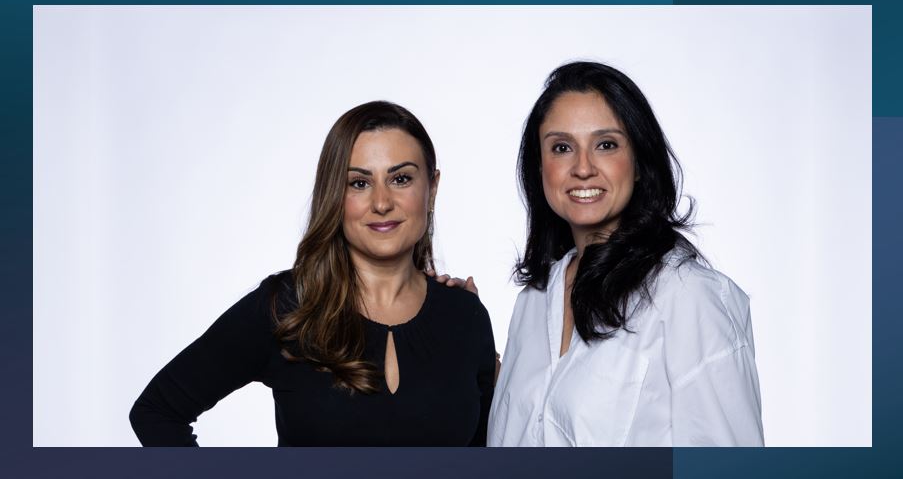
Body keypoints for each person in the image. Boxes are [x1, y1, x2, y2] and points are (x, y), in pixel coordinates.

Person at [129, 101, 496, 446]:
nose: (382, 202)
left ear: (432, 187)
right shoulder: (286, 307)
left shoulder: (466, 317)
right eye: (359, 183)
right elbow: (157, 412)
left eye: (400, 179)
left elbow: (486, 459)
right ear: (333, 194)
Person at [487, 62, 764, 446]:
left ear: (638, 163)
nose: (583, 168)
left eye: (606, 144)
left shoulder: (689, 297)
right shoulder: (533, 301)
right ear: (539, 167)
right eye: (562, 148)